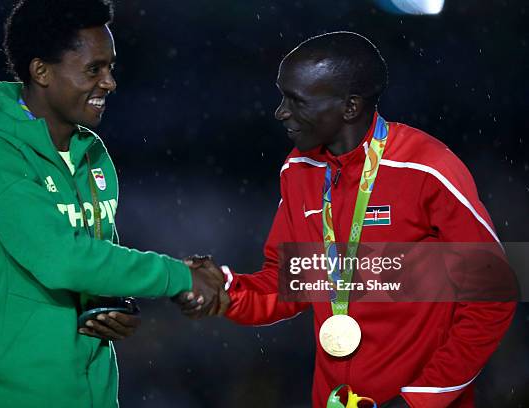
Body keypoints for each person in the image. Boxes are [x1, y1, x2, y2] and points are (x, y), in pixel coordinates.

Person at [175, 32, 516, 407]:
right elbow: (290, 281)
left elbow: (493, 293)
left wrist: (423, 398)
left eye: (296, 100)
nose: (281, 112)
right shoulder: (299, 169)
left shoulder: (426, 169)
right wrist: (224, 290)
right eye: (282, 95)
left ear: (350, 107)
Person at [0, 0, 223, 406]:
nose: (110, 82)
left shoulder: (92, 152)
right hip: (14, 394)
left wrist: (113, 305)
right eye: (94, 69)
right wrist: (178, 275)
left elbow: (97, 262)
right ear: (41, 71)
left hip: (96, 393)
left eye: (110, 67)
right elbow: (61, 258)